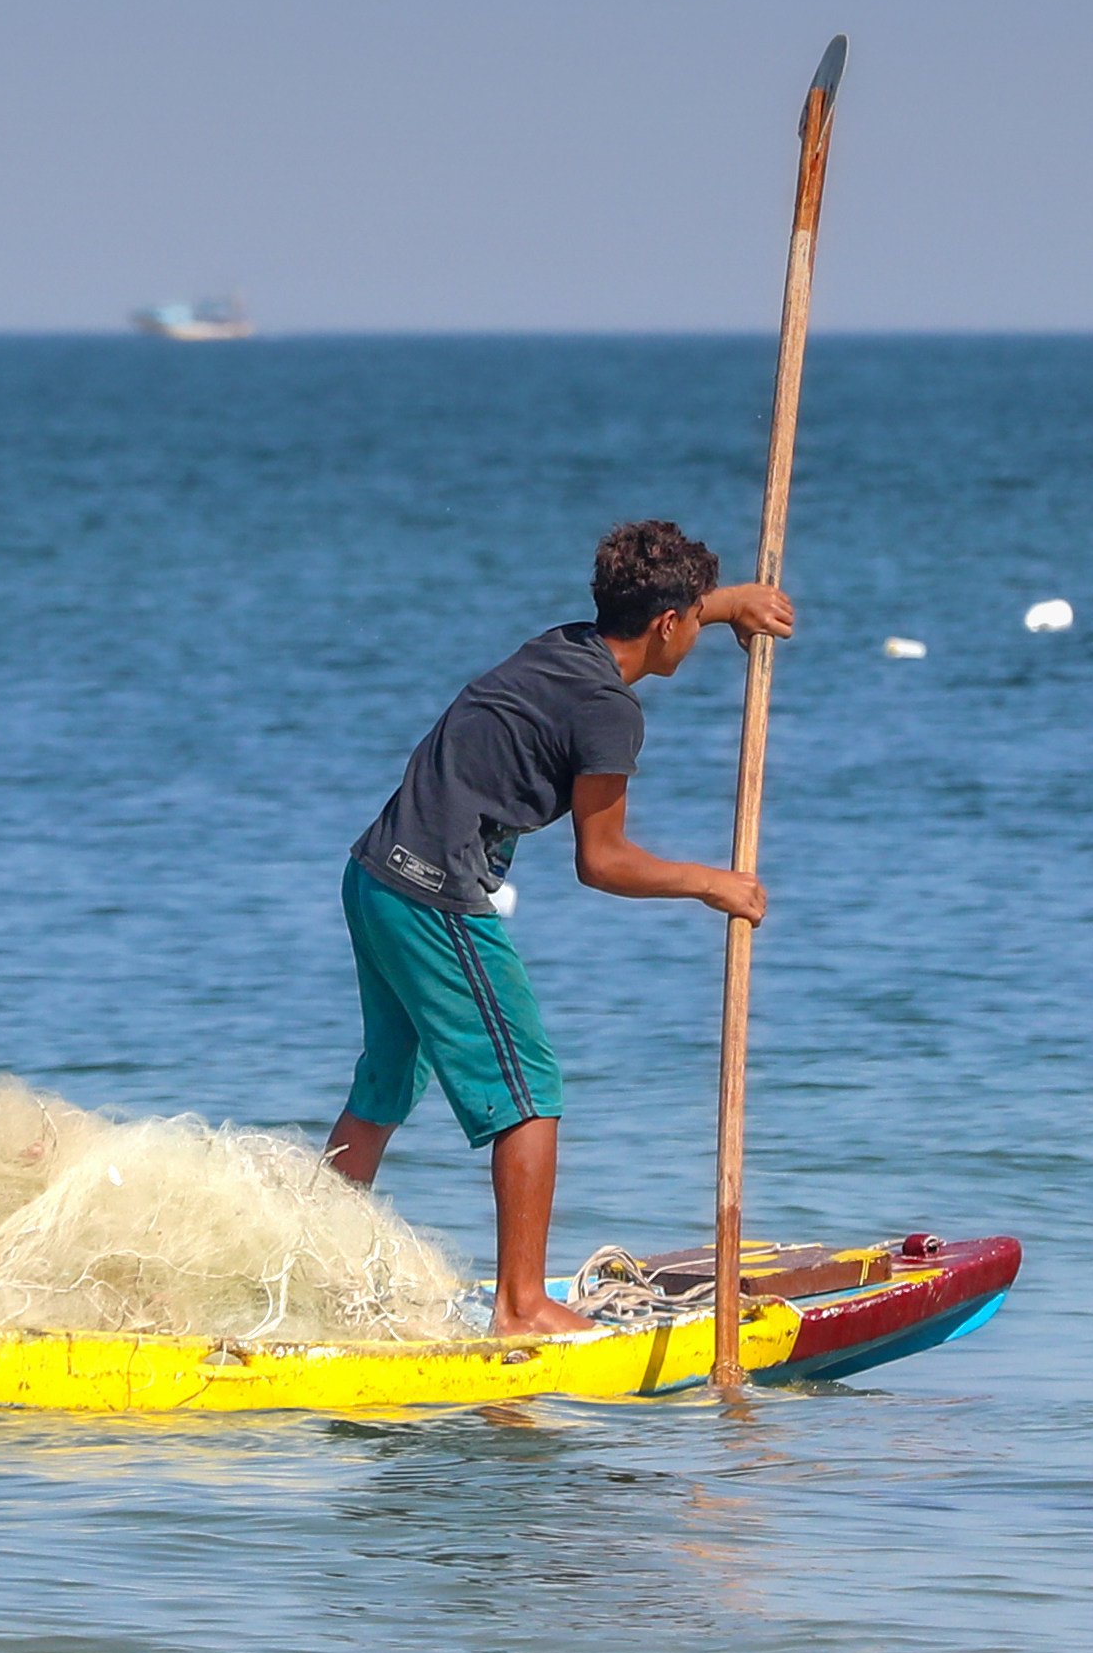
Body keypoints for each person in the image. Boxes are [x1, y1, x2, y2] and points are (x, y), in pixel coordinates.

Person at [324, 519, 793, 1335]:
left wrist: (728, 605)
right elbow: (602, 862)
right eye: (692, 619)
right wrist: (711, 884)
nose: (694, 633)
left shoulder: (564, 644)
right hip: (434, 897)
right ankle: (522, 1306)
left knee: (386, 1082)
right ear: (665, 625)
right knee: (528, 1091)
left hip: (372, 876)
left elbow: (656, 612)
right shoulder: (610, 713)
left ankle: (313, 1261)